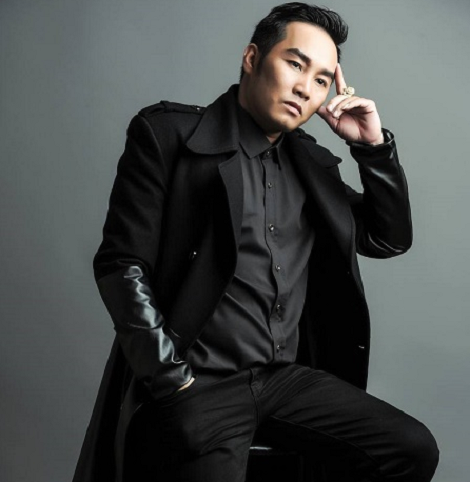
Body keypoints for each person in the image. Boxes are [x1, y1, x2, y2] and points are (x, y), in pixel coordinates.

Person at [73, 3, 439, 482]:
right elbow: (122, 265)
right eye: (295, 64)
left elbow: (385, 238)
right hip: (196, 382)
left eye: (322, 79)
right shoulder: (168, 134)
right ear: (252, 58)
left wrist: (371, 148)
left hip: (282, 381)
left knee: (411, 449)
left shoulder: (312, 165)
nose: (306, 88)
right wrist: (172, 383)